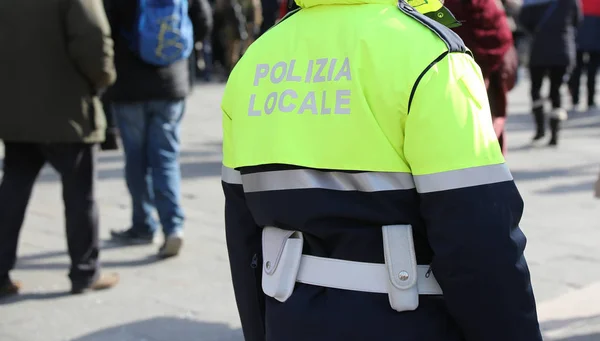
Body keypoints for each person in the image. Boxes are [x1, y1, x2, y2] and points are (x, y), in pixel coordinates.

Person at [220, 0, 542, 340]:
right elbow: (481, 245)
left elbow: (244, 242)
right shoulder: (432, 59)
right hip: (411, 321)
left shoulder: (255, 61)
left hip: (289, 321)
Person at [0, 0, 119, 297]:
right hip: (69, 109)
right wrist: (103, 79)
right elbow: (93, 40)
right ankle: (84, 273)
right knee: (80, 196)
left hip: (15, 110)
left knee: (12, 191)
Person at [104, 0, 212, 257]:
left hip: (129, 84)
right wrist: (175, 50)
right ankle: (173, 226)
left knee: (136, 158)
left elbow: (105, 28)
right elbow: (204, 21)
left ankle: (143, 225)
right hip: (171, 81)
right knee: (165, 158)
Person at [444, 0, 518, 155]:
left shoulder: (450, 7)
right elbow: (503, 36)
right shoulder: (491, 7)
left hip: (460, 69)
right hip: (489, 67)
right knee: (490, 114)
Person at [519, 0, 582, 146]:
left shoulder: (531, 2)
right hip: (563, 48)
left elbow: (523, 21)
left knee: (536, 89)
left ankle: (540, 129)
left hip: (538, 50)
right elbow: (577, 21)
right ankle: (555, 133)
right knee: (556, 90)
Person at [568, 0, 600, 112]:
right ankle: (590, 101)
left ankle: (576, 100)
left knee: (577, 71)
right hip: (595, 39)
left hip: (578, 39)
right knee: (591, 72)